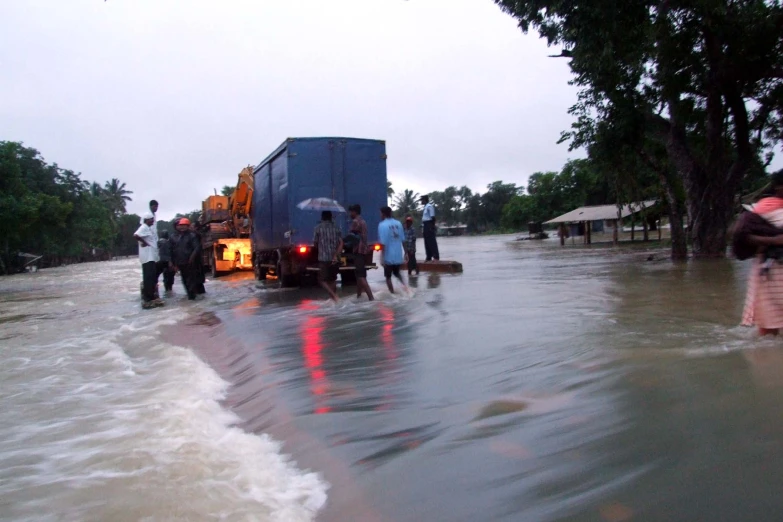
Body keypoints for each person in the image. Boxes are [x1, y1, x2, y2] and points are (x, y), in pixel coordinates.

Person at [740, 171, 783, 335]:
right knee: (769, 324)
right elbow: (742, 236)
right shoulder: (766, 207)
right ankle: (766, 356)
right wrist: (774, 241)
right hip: (771, 271)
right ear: (778, 187)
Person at [134, 212, 163, 309]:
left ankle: (150, 296)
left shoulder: (148, 228)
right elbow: (136, 235)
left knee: (150, 276)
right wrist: (144, 242)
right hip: (147, 257)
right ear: (147, 220)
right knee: (148, 277)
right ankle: (148, 297)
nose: (153, 221)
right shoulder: (144, 227)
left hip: (150, 256)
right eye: (151, 219)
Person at [313, 210, 343, 302]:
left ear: (322, 217)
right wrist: (336, 255)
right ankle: (334, 301)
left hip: (323, 257)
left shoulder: (318, 228)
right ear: (331, 217)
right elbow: (341, 242)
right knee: (333, 279)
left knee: (322, 280)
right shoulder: (337, 228)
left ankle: (334, 297)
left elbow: (315, 243)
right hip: (334, 258)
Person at [169, 218, 201, 300]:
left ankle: (192, 297)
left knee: (191, 279)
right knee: (184, 280)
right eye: (180, 225)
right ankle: (190, 296)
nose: (182, 227)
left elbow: (197, 247)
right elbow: (172, 251)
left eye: (184, 226)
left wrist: (192, 257)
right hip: (180, 262)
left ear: (188, 226)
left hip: (190, 262)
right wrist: (173, 263)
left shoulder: (192, 235)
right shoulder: (174, 236)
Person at [348, 204, 374, 301]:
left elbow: (352, 236)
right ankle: (358, 296)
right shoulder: (363, 221)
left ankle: (371, 298)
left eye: (351, 212)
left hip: (358, 250)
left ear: (355, 212)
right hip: (364, 250)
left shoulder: (355, 222)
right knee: (359, 275)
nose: (350, 214)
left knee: (360, 275)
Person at [378, 206, 407, 294]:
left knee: (388, 277)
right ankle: (406, 289)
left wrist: (382, 258)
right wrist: (405, 253)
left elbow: (383, 243)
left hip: (388, 256)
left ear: (383, 214)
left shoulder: (382, 225)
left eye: (380, 213)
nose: (380, 215)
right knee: (397, 273)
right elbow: (403, 240)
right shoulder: (398, 223)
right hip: (398, 255)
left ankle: (392, 294)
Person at [420, 195, 440, 261]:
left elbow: (433, 217)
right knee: (426, 241)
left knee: (432, 241)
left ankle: (436, 256)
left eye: (422, 200)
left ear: (425, 200)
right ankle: (428, 256)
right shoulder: (425, 207)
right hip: (425, 225)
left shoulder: (429, 206)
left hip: (429, 224)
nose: (421, 201)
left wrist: (432, 226)